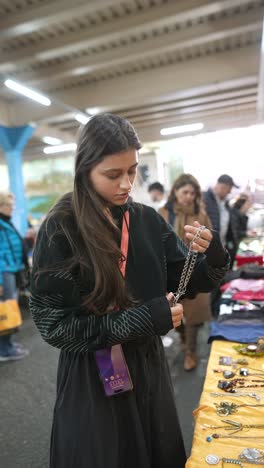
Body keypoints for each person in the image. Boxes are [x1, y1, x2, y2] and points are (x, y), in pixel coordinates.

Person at [29, 113, 229, 468]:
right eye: (113, 174)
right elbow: (54, 326)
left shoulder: (145, 219)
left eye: (133, 171)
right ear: (85, 168)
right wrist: (144, 318)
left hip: (146, 369)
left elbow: (190, 280)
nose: (126, 184)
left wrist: (211, 254)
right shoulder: (61, 227)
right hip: (92, 376)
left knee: (153, 451)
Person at [159, 174, 213, 371]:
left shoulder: (201, 213)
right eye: (185, 192)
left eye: (193, 193)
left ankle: (190, 351)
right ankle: (182, 339)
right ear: (175, 192)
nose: (189, 196)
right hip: (170, 274)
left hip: (195, 270)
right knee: (175, 313)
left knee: (193, 317)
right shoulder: (163, 213)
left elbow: (209, 241)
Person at [0, 192, 29, 361]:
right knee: (5, 310)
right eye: (9, 205)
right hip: (5, 272)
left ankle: (7, 344)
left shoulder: (5, 222)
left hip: (11, 270)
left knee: (9, 309)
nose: (12, 208)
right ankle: (4, 349)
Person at [228, 193, 252, 267]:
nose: (249, 206)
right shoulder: (233, 214)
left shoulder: (242, 215)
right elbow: (235, 232)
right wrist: (246, 233)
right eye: (247, 204)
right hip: (231, 245)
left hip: (234, 244)